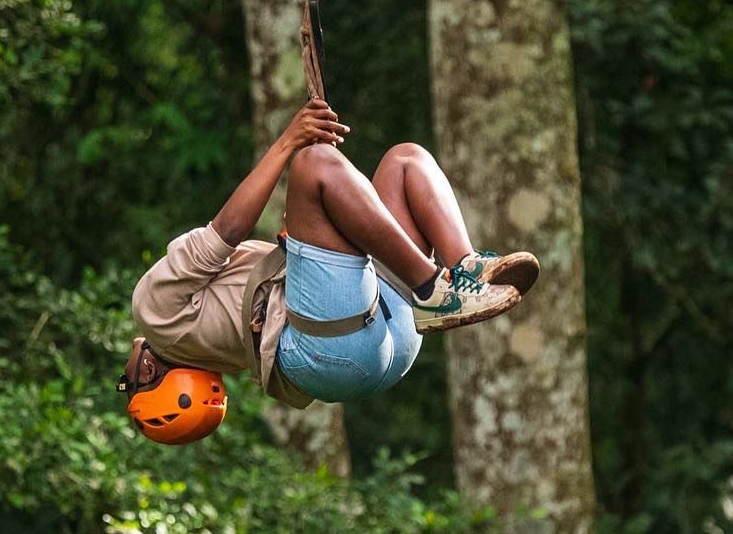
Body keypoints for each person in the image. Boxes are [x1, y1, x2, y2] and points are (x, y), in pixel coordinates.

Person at [118, 99, 538, 444]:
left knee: (403, 162)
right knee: (313, 164)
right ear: (149, 373)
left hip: (379, 348)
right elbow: (226, 230)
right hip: (332, 348)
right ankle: (434, 289)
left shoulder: (200, 342)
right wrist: (289, 142)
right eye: (130, 379)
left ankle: (465, 271)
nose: (127, 367)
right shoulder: (153, 313)